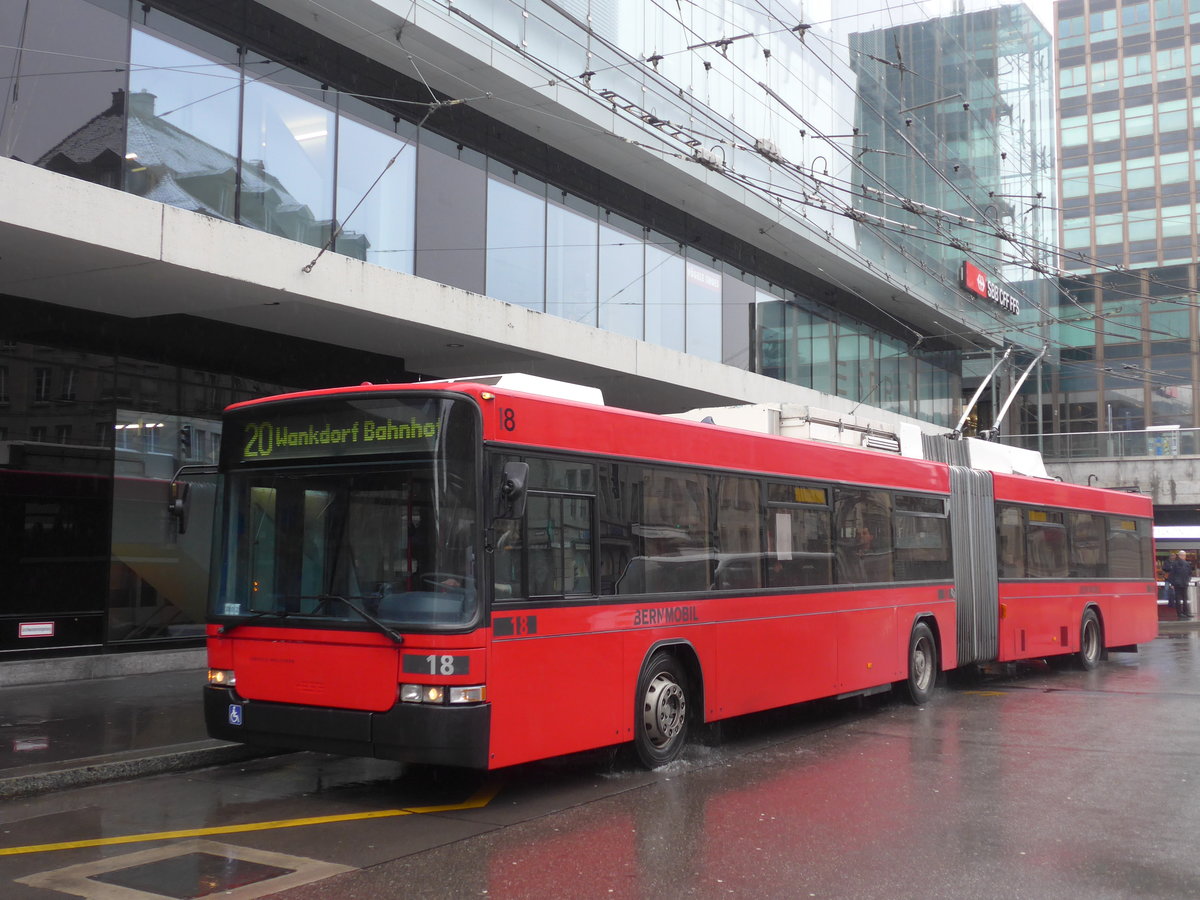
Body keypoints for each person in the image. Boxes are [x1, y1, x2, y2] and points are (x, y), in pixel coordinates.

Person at [1164, 550, 1194, 620]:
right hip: (1182, 583)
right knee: (1184, 598)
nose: (1184, 556)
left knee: (1179, 599)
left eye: (1185, 555)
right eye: (1184, 555)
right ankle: (1184, 613)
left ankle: (1181, 613)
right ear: (1180, 555)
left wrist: (1172, 583)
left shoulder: (1175, 563)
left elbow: (1171, 575)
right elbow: (1189, 573)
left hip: (1179, 583)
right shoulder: (1186, 564)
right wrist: (1187, 580)